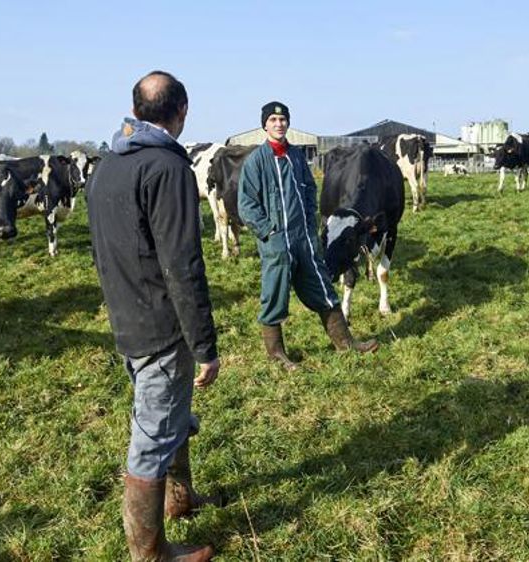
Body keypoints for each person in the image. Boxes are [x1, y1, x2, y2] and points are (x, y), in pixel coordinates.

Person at [87, 70, 221, 562]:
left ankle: (179, 499)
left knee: (172, 414)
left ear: (136, 109)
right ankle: (149, 553)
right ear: (181, 110)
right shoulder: (168, 169)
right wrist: (204, 345)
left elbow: (101, 253)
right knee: (152, 434)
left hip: (126, 318)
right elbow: (182, 264)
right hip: (162, 328)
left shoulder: (106, 167)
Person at [238, 101, 378, 370]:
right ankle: (276, 354)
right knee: (275, 294)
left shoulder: (297, 156)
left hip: (304, 239)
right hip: (277, 242)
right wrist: (268, 231)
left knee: (322, 286)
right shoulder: (257, 161)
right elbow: (247, 204)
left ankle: (345, 343)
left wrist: (311, 224)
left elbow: (310, 191)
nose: (279, 124)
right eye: (273, 120)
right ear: (264, 125)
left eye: (283, 119)